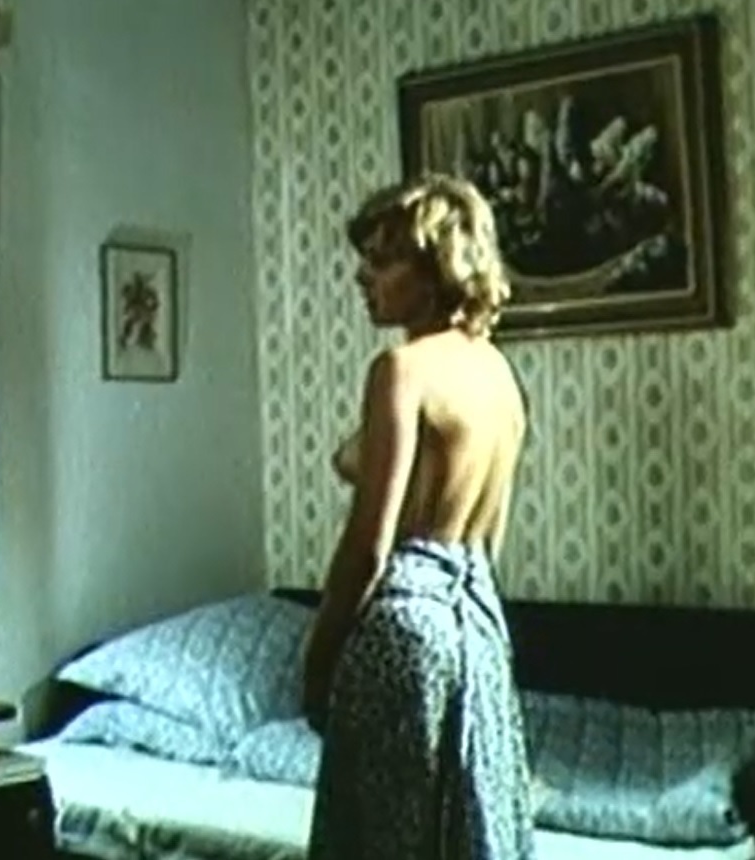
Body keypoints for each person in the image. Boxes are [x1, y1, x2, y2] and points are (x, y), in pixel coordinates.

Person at [300, 173, 536, 859]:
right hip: (477, 623)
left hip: (404, 630)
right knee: (464, 826)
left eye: (381, 260)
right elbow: (487, 539)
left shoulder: (401, 369)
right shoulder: (499, 376)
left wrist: (317, 661)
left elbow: (368, 547)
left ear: (435, 269)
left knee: (387, 841)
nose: (361, 276)